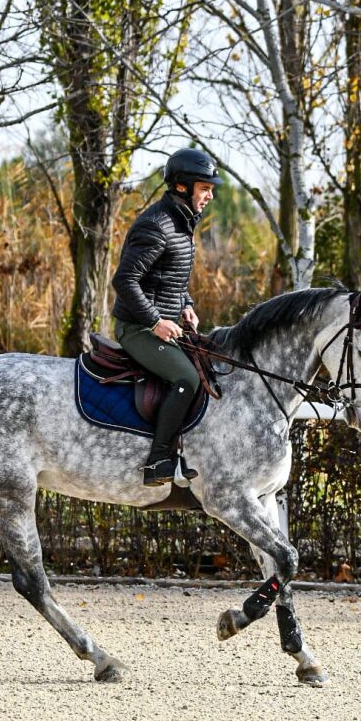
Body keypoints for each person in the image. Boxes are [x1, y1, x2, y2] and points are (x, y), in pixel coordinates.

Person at [111, 147, 222, 486]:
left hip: (166, 324)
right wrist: (156, 322)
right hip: (137, 328)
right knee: (187, 379)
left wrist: (185, 304)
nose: (210, 196)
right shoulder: (157, 225)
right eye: (205, 188)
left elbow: (169, 278)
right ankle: (158, 460)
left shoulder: (181, 223)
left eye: (211, 189)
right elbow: (125, 281)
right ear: (182, 187)